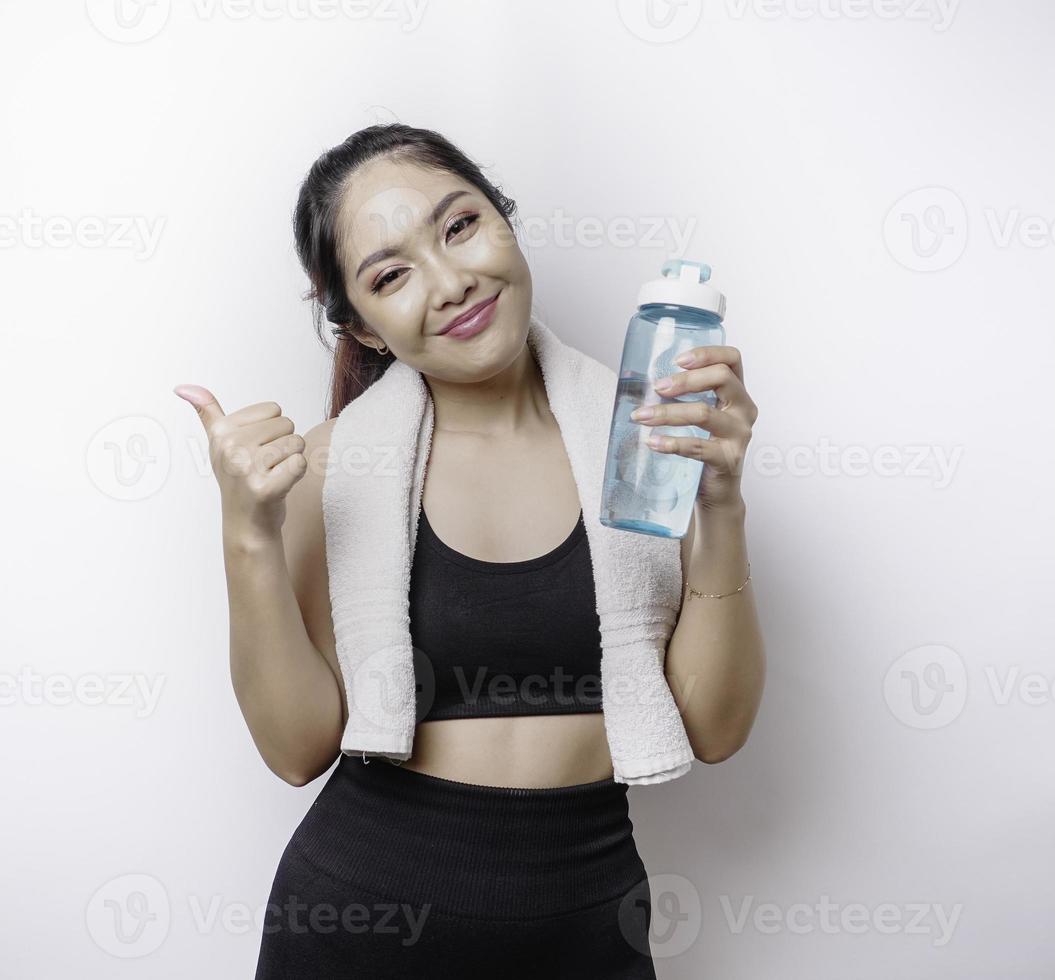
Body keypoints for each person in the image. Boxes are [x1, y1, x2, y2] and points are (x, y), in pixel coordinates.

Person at [174, 123, 766, 978]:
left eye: (460, 227)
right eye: (391, 274)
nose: (451, 282)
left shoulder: (644, 446)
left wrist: (720, 501)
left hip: (589, 927)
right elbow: (296, 750)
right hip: (362, 926)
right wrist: (246, 534)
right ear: (365, 328)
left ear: (507, 221)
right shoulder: (331, 467)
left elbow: (715, 728)